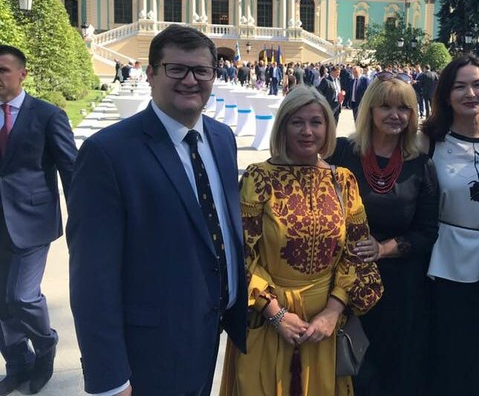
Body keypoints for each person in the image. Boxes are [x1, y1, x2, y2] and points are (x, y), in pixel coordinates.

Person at [67, 25, 247, 395]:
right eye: (176, 69)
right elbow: (92, 278)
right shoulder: (108, 153)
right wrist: (110, 378)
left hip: (210, 331)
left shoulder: (221, 138)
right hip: (148, 349)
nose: (190, 80)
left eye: (202, 70)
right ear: (150, 74)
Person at [219, 86, 383, 396]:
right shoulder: (259, 177)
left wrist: (333, 311)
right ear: (283, 126)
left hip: (324, 326)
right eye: (297, 122)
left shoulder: (342, 180)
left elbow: (357, 251)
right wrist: (276, 313)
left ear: (328, 128)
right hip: (268, 319)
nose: (307, 131)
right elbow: (241, 253)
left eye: (316, 122)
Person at [327, 73, 438, 396]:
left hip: (400, 290)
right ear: (370, 110)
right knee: (349, 373)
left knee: (395, 374)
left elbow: (427, 233)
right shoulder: (342, 153)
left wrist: (383, 248)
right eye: (386, 106)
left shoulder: (421, 165)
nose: (395, 115)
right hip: (343, 284)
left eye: (404, 108)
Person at [420, 54, 479, 395]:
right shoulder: (429, 139)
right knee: (443, 354)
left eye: (477, 84)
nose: (470, 93)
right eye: (460, 86)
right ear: (446, 94)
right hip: (442, 262)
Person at [0, 45, 76, 395]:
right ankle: (18, 365)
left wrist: (82, 222)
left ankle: (45, 346)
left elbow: (70, 169)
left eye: (3, 70)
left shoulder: (47, 115)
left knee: (21, 297)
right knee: (2, 304)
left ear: (22, 74)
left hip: (32, 222)